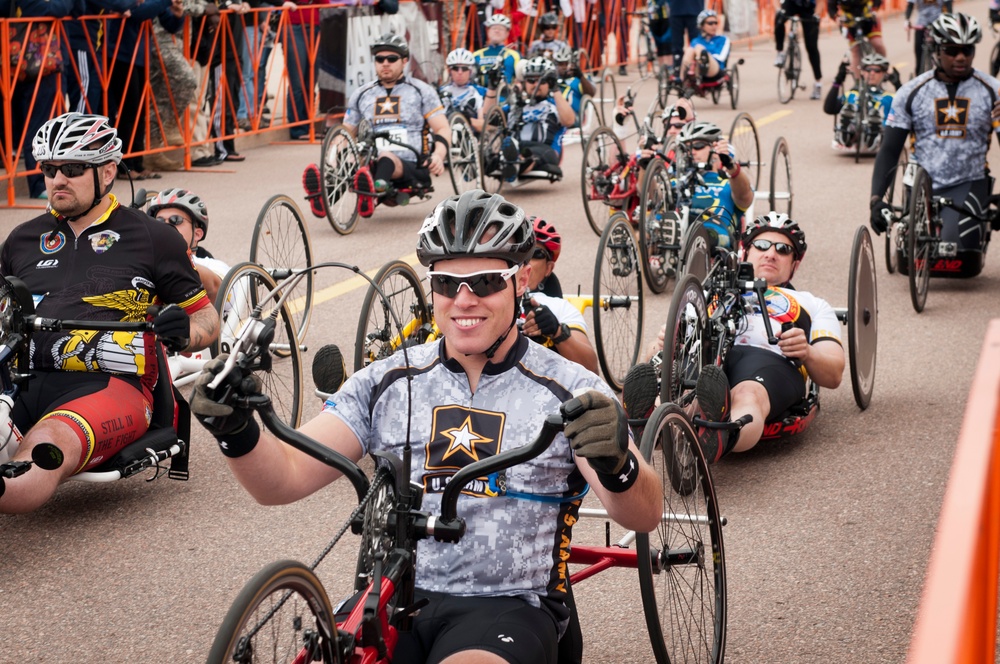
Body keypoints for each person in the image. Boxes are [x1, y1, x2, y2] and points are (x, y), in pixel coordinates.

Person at [189, 189, 662, 664]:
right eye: (445, 283)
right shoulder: (387, 380)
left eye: (483, 281)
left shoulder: (570, 387)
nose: (463, 300)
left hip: (507, 606)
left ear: (520, 281)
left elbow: (644, 515)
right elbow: (283, 478)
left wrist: (618, 463)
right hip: (395, 595)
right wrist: (237, 431)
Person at [0, 113, 220, 513]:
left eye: (72, 168)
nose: (57, 180)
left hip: (109, 384)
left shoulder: (154, 237)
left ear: (107, 171)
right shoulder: (22, 239)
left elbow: (207, 319)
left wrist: (185, 331)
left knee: (42, 451)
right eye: (49, 169)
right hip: (20, 379)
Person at [690, 213, 844, 462]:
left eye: (783, 249)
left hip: (769, 360)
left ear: (795, 264)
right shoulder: (712, 292)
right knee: (680, 379)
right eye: (761, 246)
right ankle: (653, 419)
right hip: (708, 349)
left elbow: (834, 373)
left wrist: (807, 352)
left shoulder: (814, 304)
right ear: (745, 252)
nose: (771, 254)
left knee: (748, 394)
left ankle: (719, 438)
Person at [869, 13, 1000, 273]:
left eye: (967, 50)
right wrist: (876, 200)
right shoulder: (911, 92)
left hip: (968, 180)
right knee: (913, 263)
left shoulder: (992, 91)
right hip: (923, 179)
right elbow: (890, 149)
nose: (960, 57)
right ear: (937, 51)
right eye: (952, 50)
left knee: (963, 261)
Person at [302, 33, 449, 219]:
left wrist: (438, 155)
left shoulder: (421, 90)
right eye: (379, 59)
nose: (385, 63)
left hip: (411, 162)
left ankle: (370, 194)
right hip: (372, 157)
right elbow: (347, 131)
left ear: (404, 61)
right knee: (352, 161)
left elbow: (442, 128)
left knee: (386, 157)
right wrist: (332, 159)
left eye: (391, 58)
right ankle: (324, 198)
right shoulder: (362, 93)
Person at [521, 217, 599, 374]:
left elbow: (591, 369)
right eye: (519, 251)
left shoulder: (561, 308)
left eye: (536, 253)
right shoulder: (487, 299)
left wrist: (557, 332)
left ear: (548, 269)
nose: (525, 260)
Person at [482, 56, 575, 183]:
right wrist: (491, 88)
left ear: (549, 83)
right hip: (515, 146)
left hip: (544, 149)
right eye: (531, 80)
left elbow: (569, 121)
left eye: (542, 81)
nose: (536, 84)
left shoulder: (555, 106)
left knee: (529, 154)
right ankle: (509, 163)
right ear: (524, 82)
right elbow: (488, 121)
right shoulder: (515, 106)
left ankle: (515, 163)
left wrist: (556, 89)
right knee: (490, 156)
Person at [674, 120, 754, 250]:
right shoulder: (675, 180)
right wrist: (645, 165)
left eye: (698, 146)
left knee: (703, 235)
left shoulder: (728, 183)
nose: (692, 152)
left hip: (714, 233)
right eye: (687, 148)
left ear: (715, 149)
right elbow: (649, 193)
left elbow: (745, 197)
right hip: (676, 230)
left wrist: (730, 166)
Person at [147, 188, 228, 304]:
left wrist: (171, 259)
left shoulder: (214, 266)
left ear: (197, 234)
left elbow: (215, 287)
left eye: (175, 220)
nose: (165, 227)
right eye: (159, 222)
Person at [824, 52, 899, 152]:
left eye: (877, 70)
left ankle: (874, 133)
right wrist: (838, 79)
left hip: (883, 132)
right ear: (862, 72)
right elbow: (829, 109)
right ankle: (845, 132)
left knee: (885, 117)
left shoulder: (891, 97)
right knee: (851, 107)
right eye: (868, 70)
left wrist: (898, 84)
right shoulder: (852, 94)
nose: (872, 73)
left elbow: (909, 111)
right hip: (855, 131)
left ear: (884, 73)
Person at [773, 0, 824, 99]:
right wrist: (778, 9)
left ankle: (818, 83)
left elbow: (821, 1)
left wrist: (817, 14)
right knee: (779, 18)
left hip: (808, 7)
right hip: (791, 3)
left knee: (811, 46)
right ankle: (780, 52)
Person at [828, 0, 888, 75]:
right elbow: (831, 7)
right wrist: (836, 18)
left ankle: (885, 69)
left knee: (877, 43)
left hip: (868, 18)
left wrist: (875, 10)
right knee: (855, 50)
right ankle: (857, 82)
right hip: (850, 22)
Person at [678, 9, 730, 92]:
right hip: (696, 67)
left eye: (715, 23)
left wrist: (705, 54)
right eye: (710, 23)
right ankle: (683, 79)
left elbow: (721, 57)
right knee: (690, 49)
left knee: (698, 47)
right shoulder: (696, 40)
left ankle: (698, 70)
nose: (714, 26)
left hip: (715, 70)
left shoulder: (723, 39)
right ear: (702, 25)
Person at [440, 47, 487, 132]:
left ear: (470, 71)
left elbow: (483, 126)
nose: (460, 72)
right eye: (455, 68)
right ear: (450, 71)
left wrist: (465, 119)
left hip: (470, 139)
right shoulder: (441, 91)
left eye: (464, 68)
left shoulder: (480, 92)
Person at [474, 13, 522, 87]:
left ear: (507, 33)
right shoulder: (476, 55)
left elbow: (520, 80)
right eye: (494, 28)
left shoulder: (515, 55)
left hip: (505, 95)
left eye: (501, 29)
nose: (497, 31)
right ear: (488, 31)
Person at [551, 46, 596, 124]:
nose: (563, 67)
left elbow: (591, 94)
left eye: (566, 64)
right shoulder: (552, 78)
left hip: (574, 117)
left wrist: (580, 76)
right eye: (560, 64)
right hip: (554, 116)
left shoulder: (580, 79)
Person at [905, 0, 952, 73]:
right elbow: (910, 5)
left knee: (943, 51)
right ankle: (918, 74)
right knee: (918, 51)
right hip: (921, 23)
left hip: (938, 24)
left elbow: (948, 5)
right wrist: (907, 20)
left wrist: (949, 20)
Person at [667, 0, 703, 68]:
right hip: (676, 9)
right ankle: (678, 67)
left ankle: (697, 67)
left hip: (695, 9)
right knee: (677, 43)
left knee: (696, 43)